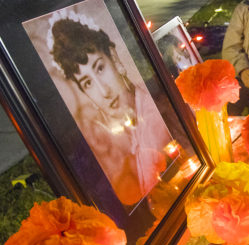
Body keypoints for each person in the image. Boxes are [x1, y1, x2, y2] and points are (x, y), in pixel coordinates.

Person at [50, 18, 172, 206]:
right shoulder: (116, 137)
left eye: (100, 68)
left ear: (115, 59)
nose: (104, 92)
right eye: (87, 83)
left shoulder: (157, 115)